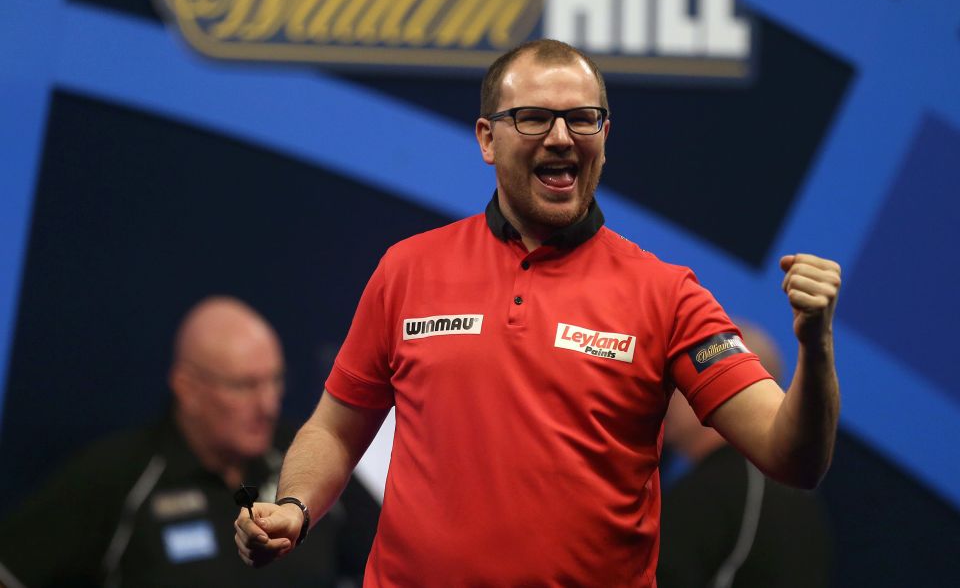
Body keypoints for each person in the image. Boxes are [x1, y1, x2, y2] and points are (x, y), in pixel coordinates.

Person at [235, 39, 842, 586]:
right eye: (533, 118)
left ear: (605, 137)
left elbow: (793, 457)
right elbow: (336, 427)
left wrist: (815, 349)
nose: (560, 137)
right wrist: (294, 506)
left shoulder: (666, 294)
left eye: (583, 119)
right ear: (487, 138)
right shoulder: (408, 269)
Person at [0, 296, 379, 588]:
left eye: (274, 380)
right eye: (244, 386)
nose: (268, 403)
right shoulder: (121, 475)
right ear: (188, 389)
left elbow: (390, 559)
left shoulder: (307, 458)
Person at [658, 321, 834, 587]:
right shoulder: (801, 501)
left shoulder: (715, 492)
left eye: (684, 376)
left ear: (728, 390)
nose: (669, 392)